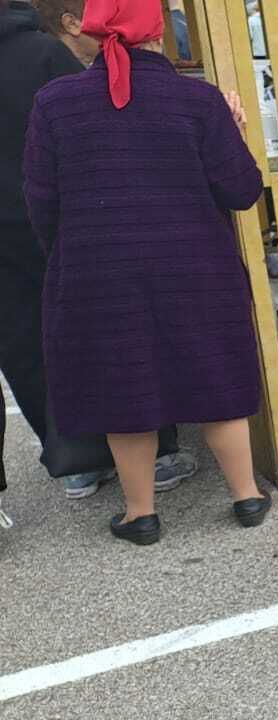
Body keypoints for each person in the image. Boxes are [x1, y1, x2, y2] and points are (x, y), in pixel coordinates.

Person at [23, 0, 270, 544]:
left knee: (123, 387)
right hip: (197, 267)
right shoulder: (199, 100)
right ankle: (247, 497)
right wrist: (236, 129)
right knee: (216, 376)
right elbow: (242, 190)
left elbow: (41, 200)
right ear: (158, 33)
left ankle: (141, 515)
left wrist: (72, 256)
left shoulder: (54, 103)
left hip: (99, 272)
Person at [4, 0, 196, 499]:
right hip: (63, 216)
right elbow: (99, 120)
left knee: (24, 341)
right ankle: (154, 456)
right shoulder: (43, 54)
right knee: (115, 330)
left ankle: (74, 462)